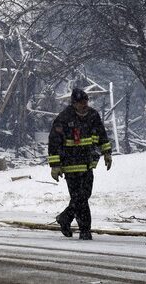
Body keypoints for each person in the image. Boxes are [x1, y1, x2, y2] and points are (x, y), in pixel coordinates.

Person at [47, 88, 112, 240]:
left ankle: (65, 218)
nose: (85, 105)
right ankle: (85, 230)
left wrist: (107, 153)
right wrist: (55, 166)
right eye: (81, 103)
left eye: (86, 102)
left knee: (84, 196)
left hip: (87, 163)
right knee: (80, 198)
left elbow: (102, 134)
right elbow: (54, 143)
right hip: (70, 165)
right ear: (74, 103)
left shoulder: (93, 115)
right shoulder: (63, 118)